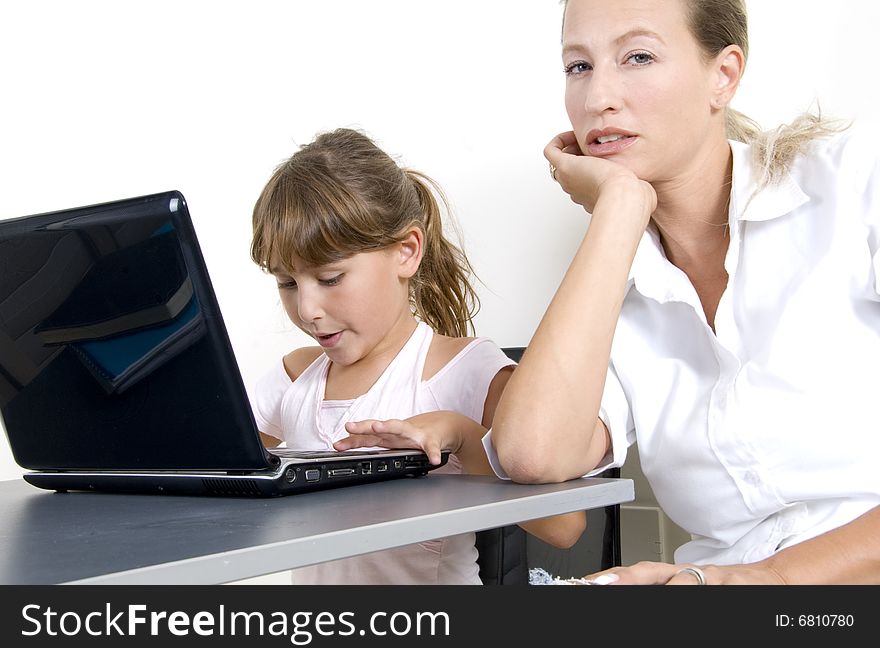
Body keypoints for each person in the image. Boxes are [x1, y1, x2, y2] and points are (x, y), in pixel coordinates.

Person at [480, 0, 880, 585]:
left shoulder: (852, 188)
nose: (597, 99)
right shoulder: (612, 282)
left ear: (723, 75)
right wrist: (618, 210)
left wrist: (767, 581)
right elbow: (532, 456)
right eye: (578, 66)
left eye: (637, 56)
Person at [249, 127, 585, 585]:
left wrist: (465, 438)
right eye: (287, 283)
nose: (307, 309)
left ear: (406, 252)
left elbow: (564, 527)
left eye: (330, 279)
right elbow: (205, 482)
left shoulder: (467, 372)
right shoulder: (294, 378)